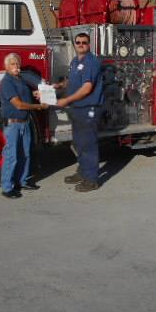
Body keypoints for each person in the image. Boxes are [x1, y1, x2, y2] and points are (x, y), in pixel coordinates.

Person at [55, 32, 104, 192]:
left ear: (89, 45)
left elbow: (86, 88)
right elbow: (73, 80)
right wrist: (60, 86)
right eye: (78, 42)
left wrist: (66, 100)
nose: (81, 44)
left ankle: (91, 180)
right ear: (74, 44)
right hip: (78, 109)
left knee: (88, 144)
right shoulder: (76, 61)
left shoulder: (91, 62)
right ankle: (83, 172)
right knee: (79, 142)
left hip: (88, 108)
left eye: (84, 42)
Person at [0, 53, 48, 199]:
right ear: (6, 66)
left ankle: (22, 181)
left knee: (25, 154)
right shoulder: (6, 82)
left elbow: (25, 97)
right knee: (11, 156)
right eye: (13, 64)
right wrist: (38, 106)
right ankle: (7, 187)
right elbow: (18, 104)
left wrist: (36, 94)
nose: (17, 67)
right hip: (13, 125)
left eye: (18, 64)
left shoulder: (19, 80)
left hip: (24, 123)